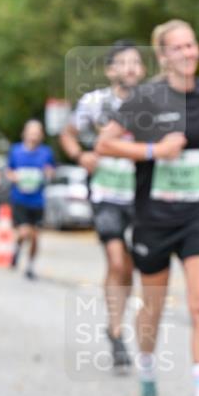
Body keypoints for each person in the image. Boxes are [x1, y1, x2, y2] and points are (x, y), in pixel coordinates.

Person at [97, 20, 199, 396]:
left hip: (198, 214)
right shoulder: (145, 97)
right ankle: (147, 376)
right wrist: (155, 150)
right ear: (163, 56)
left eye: (192, 44)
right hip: (154, 218)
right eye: (179, 47)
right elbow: (104, 143)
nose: (189, 52)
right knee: (153, 306)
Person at [61, 39, 146, 369]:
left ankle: (115, 325)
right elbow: (68, 133)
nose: (131, 68)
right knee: (116, 260)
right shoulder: (94, 102)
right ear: (111, 70)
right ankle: (116, 332)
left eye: (136, 62)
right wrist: (80, 155)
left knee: (129, 266)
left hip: (139, 194)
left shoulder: (151, 104)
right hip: (105, 193)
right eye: (123, 62)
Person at [7, 119, 55, 280]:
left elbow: (51, 170)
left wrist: (49, 173)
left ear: (41, 135)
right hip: (20, 198)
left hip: (37, 201)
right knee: (23, 232)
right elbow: (9, 171)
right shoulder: (15, 151)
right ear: (25, 133)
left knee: (35, 236)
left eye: (37, 133)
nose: (34, 136)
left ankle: (30, 266)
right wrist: (14, 176)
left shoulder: (46, 152)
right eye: (31, 132)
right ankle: (17, 247)